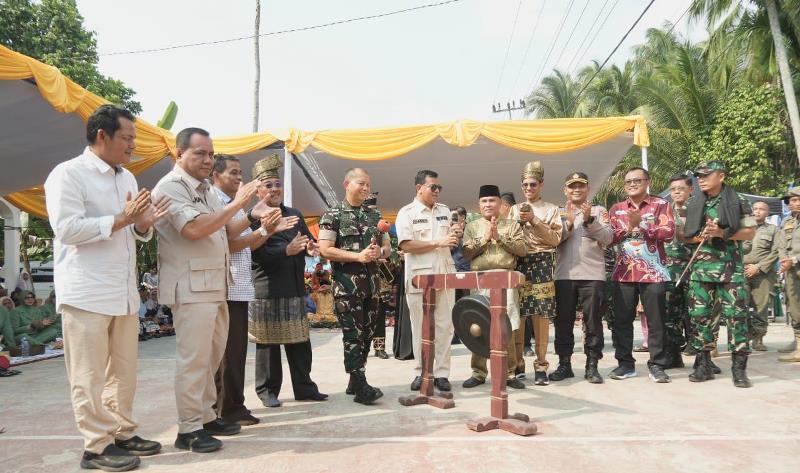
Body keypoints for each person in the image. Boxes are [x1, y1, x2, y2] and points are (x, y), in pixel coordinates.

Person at [44, 104, 168, 471]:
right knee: (88, 375)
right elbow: (66, 229)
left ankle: (122, 431)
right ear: (103, 136)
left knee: (124, 372)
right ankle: (96, 447)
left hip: (123, 291)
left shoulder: (126, 179)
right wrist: (122, 219)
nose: (132, 146)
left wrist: (142, 224)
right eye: (127, 138)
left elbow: (131, 232)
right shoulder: (68, 174)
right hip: (86, 292)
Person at [152, 127, 267, 453]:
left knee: (211, 357)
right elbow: (194, 228)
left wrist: (254, 216)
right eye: (199, 153)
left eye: (210, 154)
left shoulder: (205, 189)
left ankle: (205, 416)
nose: (207, 159)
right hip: (189, 287)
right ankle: (188, 429)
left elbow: (228, 227)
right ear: (179, 154)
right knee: (194, 360)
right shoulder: (171, 187)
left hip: (215, 284)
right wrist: (239, 204)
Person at [248, 154, 328, 408]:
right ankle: (267, 392)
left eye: (277, 184)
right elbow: (254, 252)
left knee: (299, 342)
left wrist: (310, 248)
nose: (274, 189)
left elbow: (303, 240)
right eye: (268, 185)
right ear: (257, 190)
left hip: (293, 287)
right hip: (267, 288)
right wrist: (286, 251)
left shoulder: (293, 214)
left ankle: (304, 388)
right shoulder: (252, 219)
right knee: (268, 346)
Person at [210, 154, 283, 425]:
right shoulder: (217, 201)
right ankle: (225, 408)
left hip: (239, 285)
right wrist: (256, 218)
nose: (240, 178)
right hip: (225, 286)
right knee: (226, 354)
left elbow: (245, 244)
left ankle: (234, 405)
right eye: (233, 172)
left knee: (236, 352)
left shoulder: (234, 204)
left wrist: (266, 230)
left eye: (240, 172)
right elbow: (229, 241)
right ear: (216, 176)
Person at [318, 168, 391, 405]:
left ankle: (355, 378)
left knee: (367, 334)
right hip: (347, 287)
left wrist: (379, 252)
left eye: (368, 185)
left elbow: (387, 249)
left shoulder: (374, 215)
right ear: (346, 184)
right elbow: (325, 249)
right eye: (361, 184)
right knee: (352, 336)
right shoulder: (333, 215)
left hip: (372, 286)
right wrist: (357, 256)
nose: (366, 189)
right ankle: (360, 386)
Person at [682, 161, 756, 387]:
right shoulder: (694, 202)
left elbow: (750, 233)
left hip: (730, 271)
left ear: (721, 176)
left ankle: (739, 370)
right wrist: (701, 235)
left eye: (706, 175)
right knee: (699, 319)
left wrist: (721, 233)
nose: (701, 179)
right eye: (698, 176)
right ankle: (704, 365)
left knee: (736, 319)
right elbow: (686, 235)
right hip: (701, 271)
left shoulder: (738, 200)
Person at [608, 167, 675, 383]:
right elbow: (608, 239)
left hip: (654, 272)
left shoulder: (660, 205)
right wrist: (628, 228)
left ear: (648, 182)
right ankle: (625, 364)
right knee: (622, 321)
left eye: (637, 180)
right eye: (628, 182)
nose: (632, 184)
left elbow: (669, 232)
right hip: (624, 273)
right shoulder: (617, 209)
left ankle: (657, 365)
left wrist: (643, 226)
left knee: (656, 321)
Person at [395, 170, 458, 392]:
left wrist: (454, 235)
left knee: (445, 326)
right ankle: (421, 371)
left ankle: (441, 373)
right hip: (419, 277)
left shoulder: (445, 211)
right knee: (420, 326)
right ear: (419, 188)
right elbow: (406, 245)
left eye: (439, 187)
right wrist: (438, 242)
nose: (437, 191)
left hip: (445, 273)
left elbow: (450, 241)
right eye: (433, 187)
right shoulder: (407, 213)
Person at [461, 185, 527, 389]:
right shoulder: (472, 227)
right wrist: (485, 237)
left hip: (505, 278)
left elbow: (522, 250)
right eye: (484, 201)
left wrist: (500, 238)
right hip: (480, 280)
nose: (488, 204)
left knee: (507, 326)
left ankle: (509, 374)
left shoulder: (512, 225)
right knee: (478, 325)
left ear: (500, 203)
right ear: (479, 205)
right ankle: (478, 372)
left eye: (492, 200)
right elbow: (466, 253)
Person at [552, 172, 612, 384]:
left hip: (592, 275)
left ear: (588, 188)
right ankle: (564, 364)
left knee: (593, 321)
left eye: (581, 186)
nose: (576, 189)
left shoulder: (598, 210)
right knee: (563, 321)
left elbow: (608, 238)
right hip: (564, 276)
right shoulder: (557, 212)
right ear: (565, 190)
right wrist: (568, 223)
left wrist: (589, 221)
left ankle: (592, 365)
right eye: (572, 186)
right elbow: (552, 241)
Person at [508, 161, 563, 385]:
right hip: (520, 262)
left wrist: (534, 220)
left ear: (541, 184)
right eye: (525, 185)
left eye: (532, 184)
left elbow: (555, 239)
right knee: (518, 316)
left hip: (542, 262)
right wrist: (518, 224)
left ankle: (541, 366)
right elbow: (509, 238)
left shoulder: (551, 209)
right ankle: (518, 364)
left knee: (540, 317)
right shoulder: (513, 209)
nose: (528, 188)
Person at [664, 174, 694, 360]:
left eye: (681, 188)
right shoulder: (664, 212)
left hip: (694, 269)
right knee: (669, 313)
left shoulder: (699, 211)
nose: (676, 192)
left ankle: (701, 354)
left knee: (695, 313)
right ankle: (674, 353)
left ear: (691, 189)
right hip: (669, 270)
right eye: (673, 189)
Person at [742, 201, 778, 352]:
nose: (757, 211)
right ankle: (743, 339)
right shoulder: (742, 227)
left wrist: (758, 267)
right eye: (755, 208)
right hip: (741, 271)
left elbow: (776, 251)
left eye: (762, 209)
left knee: (761, 307)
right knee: (739, 306)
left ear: (767, 212)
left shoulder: (773, 230)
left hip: (763, 273)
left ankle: (758, 339)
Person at [364, 192, 390, 359]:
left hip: (379, 274)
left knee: (379, 312)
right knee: (362, 311)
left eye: (375, 209)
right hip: (358, 273)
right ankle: (362, 346)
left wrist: (381, 254)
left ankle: (379, 347)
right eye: (370, 209)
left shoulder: (381, 224)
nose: (374, 213)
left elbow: (388, 247)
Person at [777, 187, 800, 362]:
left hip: (796, 264)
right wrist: (784, 260)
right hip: (791, 271)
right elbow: (781, 245)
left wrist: (794, 259)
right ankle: (798, 342)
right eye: (792, 200)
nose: (794, 203)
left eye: (797, 199)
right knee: (793, 305)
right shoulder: (787, 221)